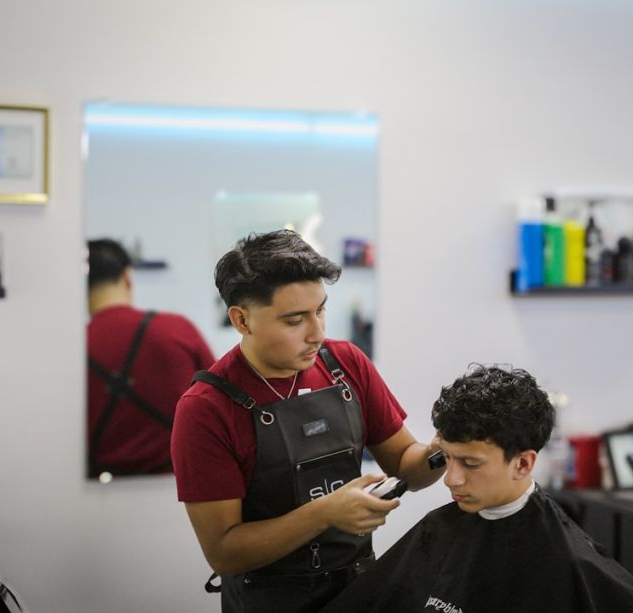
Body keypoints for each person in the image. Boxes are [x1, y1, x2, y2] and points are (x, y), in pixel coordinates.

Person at [171, 229, 443, 612]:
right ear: (242, 320)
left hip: (359, 590)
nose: (317, 334)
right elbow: (224, 552)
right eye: (295, 320)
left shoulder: (346, 364)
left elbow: (404, 463)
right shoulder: (206, 408)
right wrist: (327, 513)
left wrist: (442, 451)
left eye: (321, 310)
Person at [323, 365, 633, 613]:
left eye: (470, 464)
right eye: (447, 458)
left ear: (523, 463)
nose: (451, 479)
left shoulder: (571, 563)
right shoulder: (437, 530)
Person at [87, 238, 214, 478]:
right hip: (183, 482)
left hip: (96, 488)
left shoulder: (74, 346)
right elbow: (222, 399)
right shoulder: (177, 329)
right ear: (128, 277)